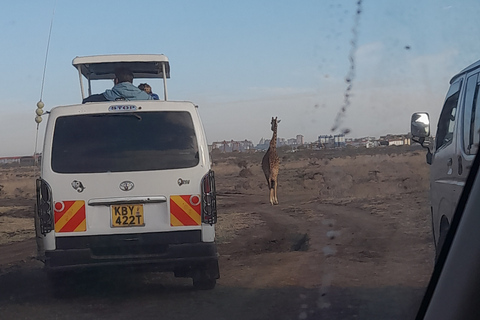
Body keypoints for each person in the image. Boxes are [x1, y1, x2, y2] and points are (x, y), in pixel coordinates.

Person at [82, 68, 153, 103]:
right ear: (131, 81)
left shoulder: (106, 96)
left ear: (116, 81)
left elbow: (86, 101)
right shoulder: (147, 98)